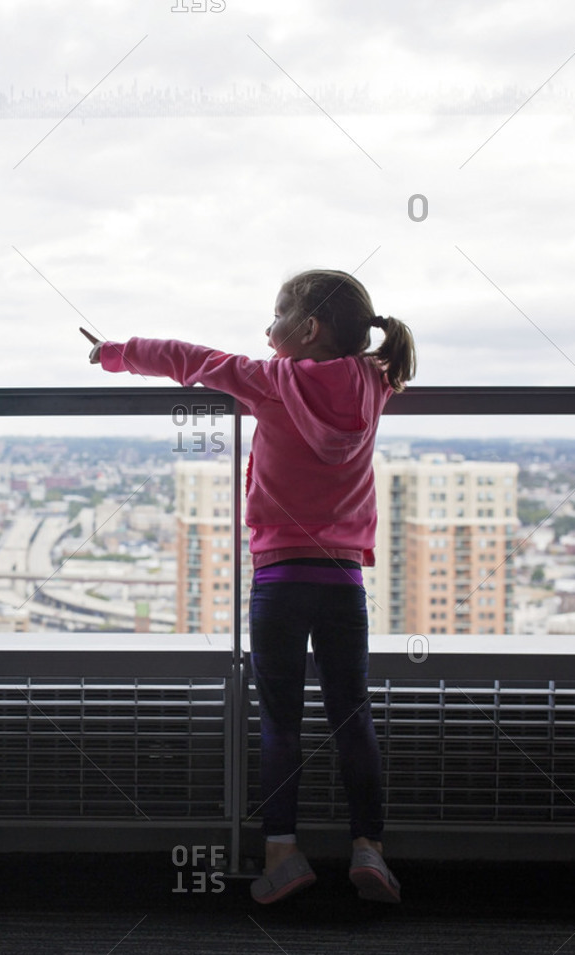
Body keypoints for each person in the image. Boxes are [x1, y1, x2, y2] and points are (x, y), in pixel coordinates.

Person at [84, 269, 416, 904]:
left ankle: (283, 853)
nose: (267, 331)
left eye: (278, 316)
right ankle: (368, 848)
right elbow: (379, 365)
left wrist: (115, 353)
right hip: (344, 578)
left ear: (308, 329)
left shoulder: (271, 381)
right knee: (353, 716)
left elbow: (188, 360)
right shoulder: (377, 382)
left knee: (280, 721)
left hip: (280, 577)